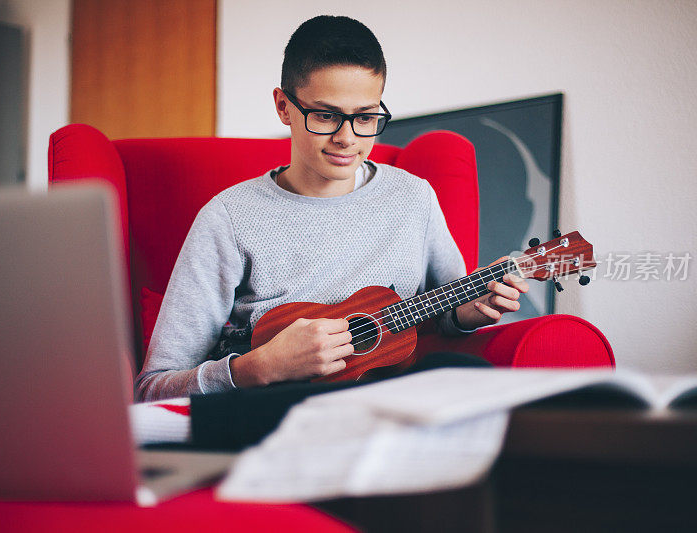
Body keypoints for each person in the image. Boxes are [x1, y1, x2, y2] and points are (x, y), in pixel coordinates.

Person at [135, 15, 528, 403]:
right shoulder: (229, 218)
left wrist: (466, 315)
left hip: (386, 403)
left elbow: (443, 313)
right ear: (284, 107)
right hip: (274, 411)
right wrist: (261, 367)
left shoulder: (414, 198)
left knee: (473, 381)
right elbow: (152, 388)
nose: (347, 138)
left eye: (365, 117)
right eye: (325, 115)